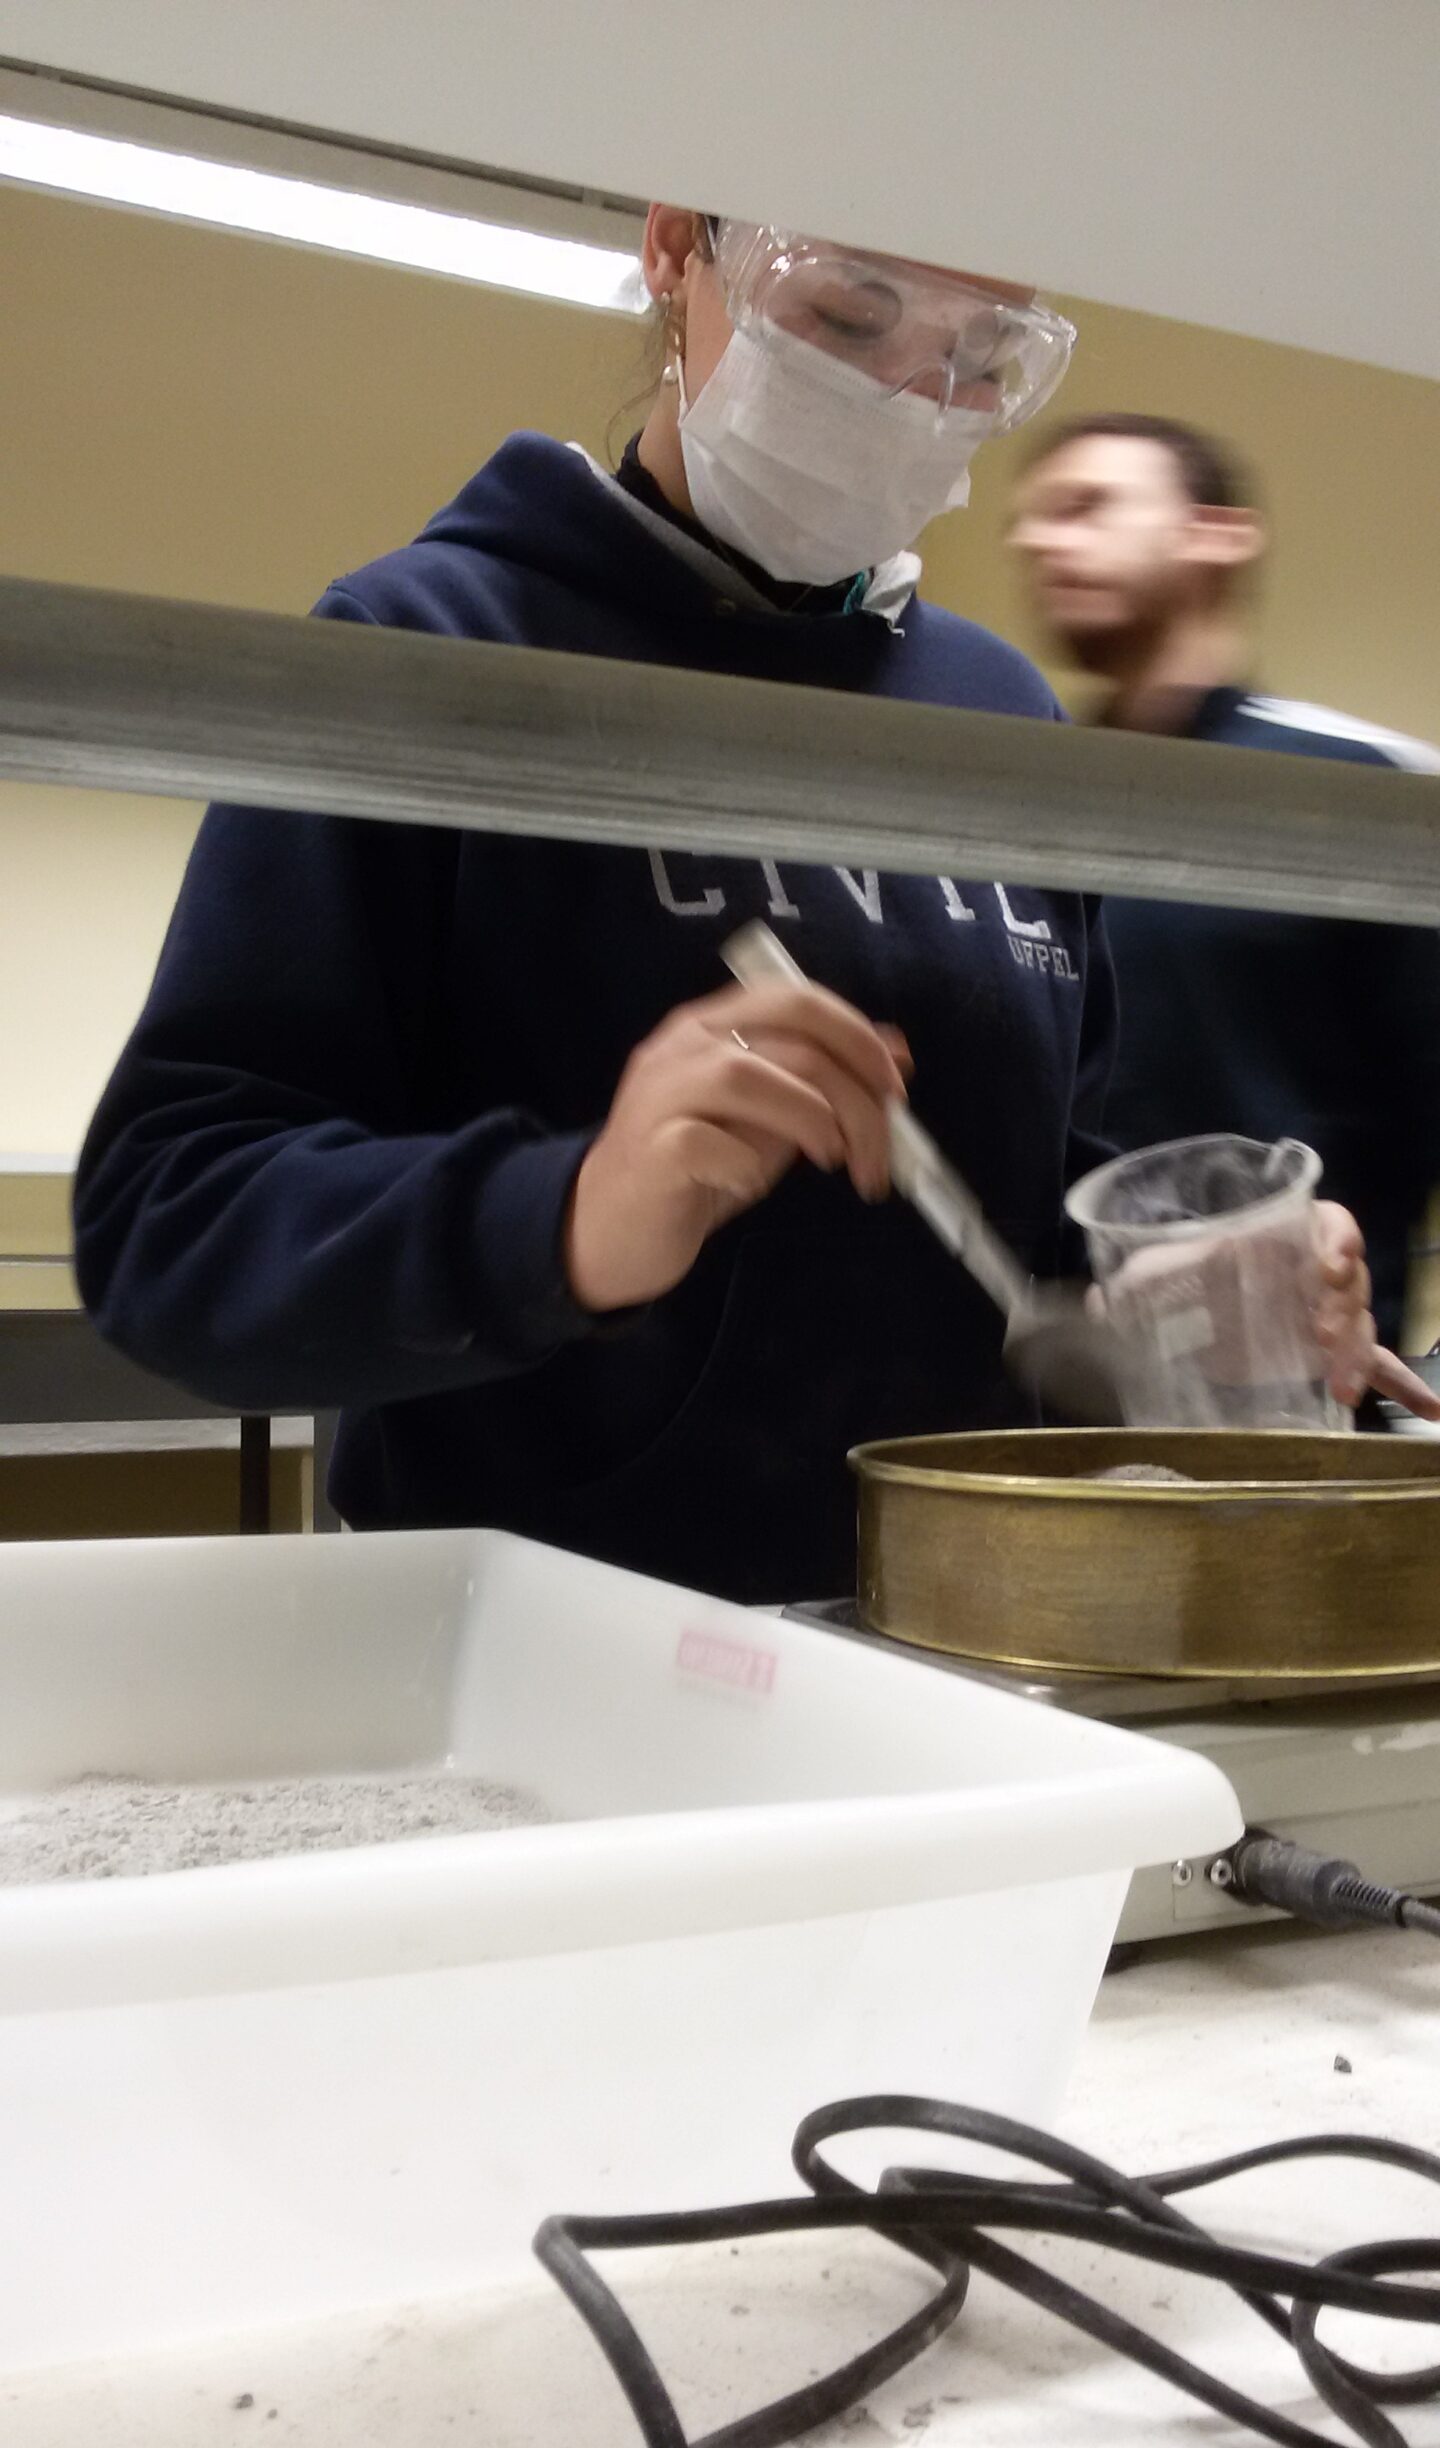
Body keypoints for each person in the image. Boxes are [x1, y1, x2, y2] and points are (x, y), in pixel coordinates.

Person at [74, 219, 1422, 1603]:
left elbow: (1023, 1213)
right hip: (546, 1642)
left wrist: (1198, 1286)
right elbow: (170, 1230)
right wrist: (568, 1215)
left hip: (950, 1628)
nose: (908, 399)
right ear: (678, 252)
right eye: (848, 317)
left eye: (977, 358)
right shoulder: (433, 646)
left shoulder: (1000, 715)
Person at [1008, 411, 1440, 1358]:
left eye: (1087, 506)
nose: (1040, 540)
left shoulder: (1362, 790)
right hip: (1052, 1398)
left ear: (1217, 534)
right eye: (1031, 521)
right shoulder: (1023, 803)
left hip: (1300, 1401)